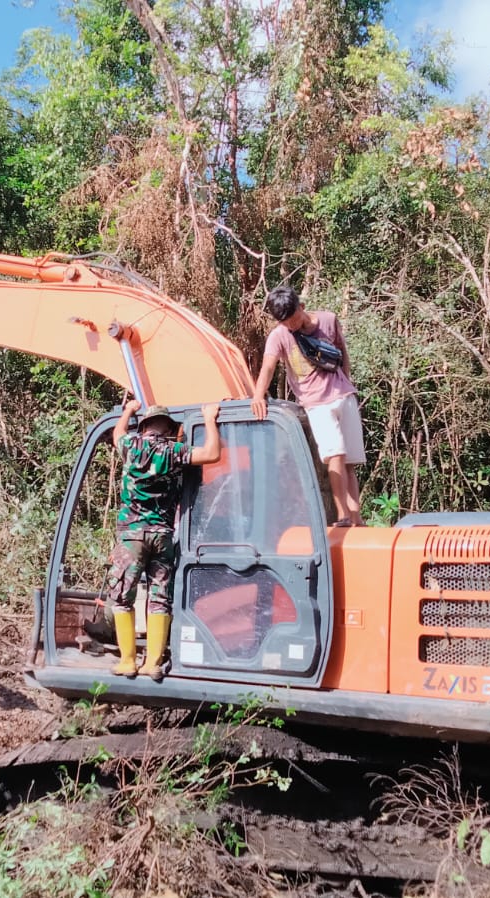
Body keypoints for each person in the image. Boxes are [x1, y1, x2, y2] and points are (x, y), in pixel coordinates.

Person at [107, 399, 223, 680]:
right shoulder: (174, 452)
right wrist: (210, 419)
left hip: (132, 535)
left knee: (122, 596)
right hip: (162, 536)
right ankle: (153, 663)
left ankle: (128, 661)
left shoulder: (132, 447)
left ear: (145, 427)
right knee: (160, 597)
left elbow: (117, 434)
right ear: (169, 430)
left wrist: (128, 411)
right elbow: (212, 453)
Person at [249, 284, 365, 526]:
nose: (290, 326)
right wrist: (258, 396)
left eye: (292, 319)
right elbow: (268, 367)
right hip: (316, 402)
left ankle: (357, 520)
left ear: (301, 307)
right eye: (284, 322)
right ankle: (342, 514)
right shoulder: (279, 336)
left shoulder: (328, 320)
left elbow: (343, 353)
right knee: (335, 454)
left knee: (350, 463)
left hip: (343, 396)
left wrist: (347, 383)